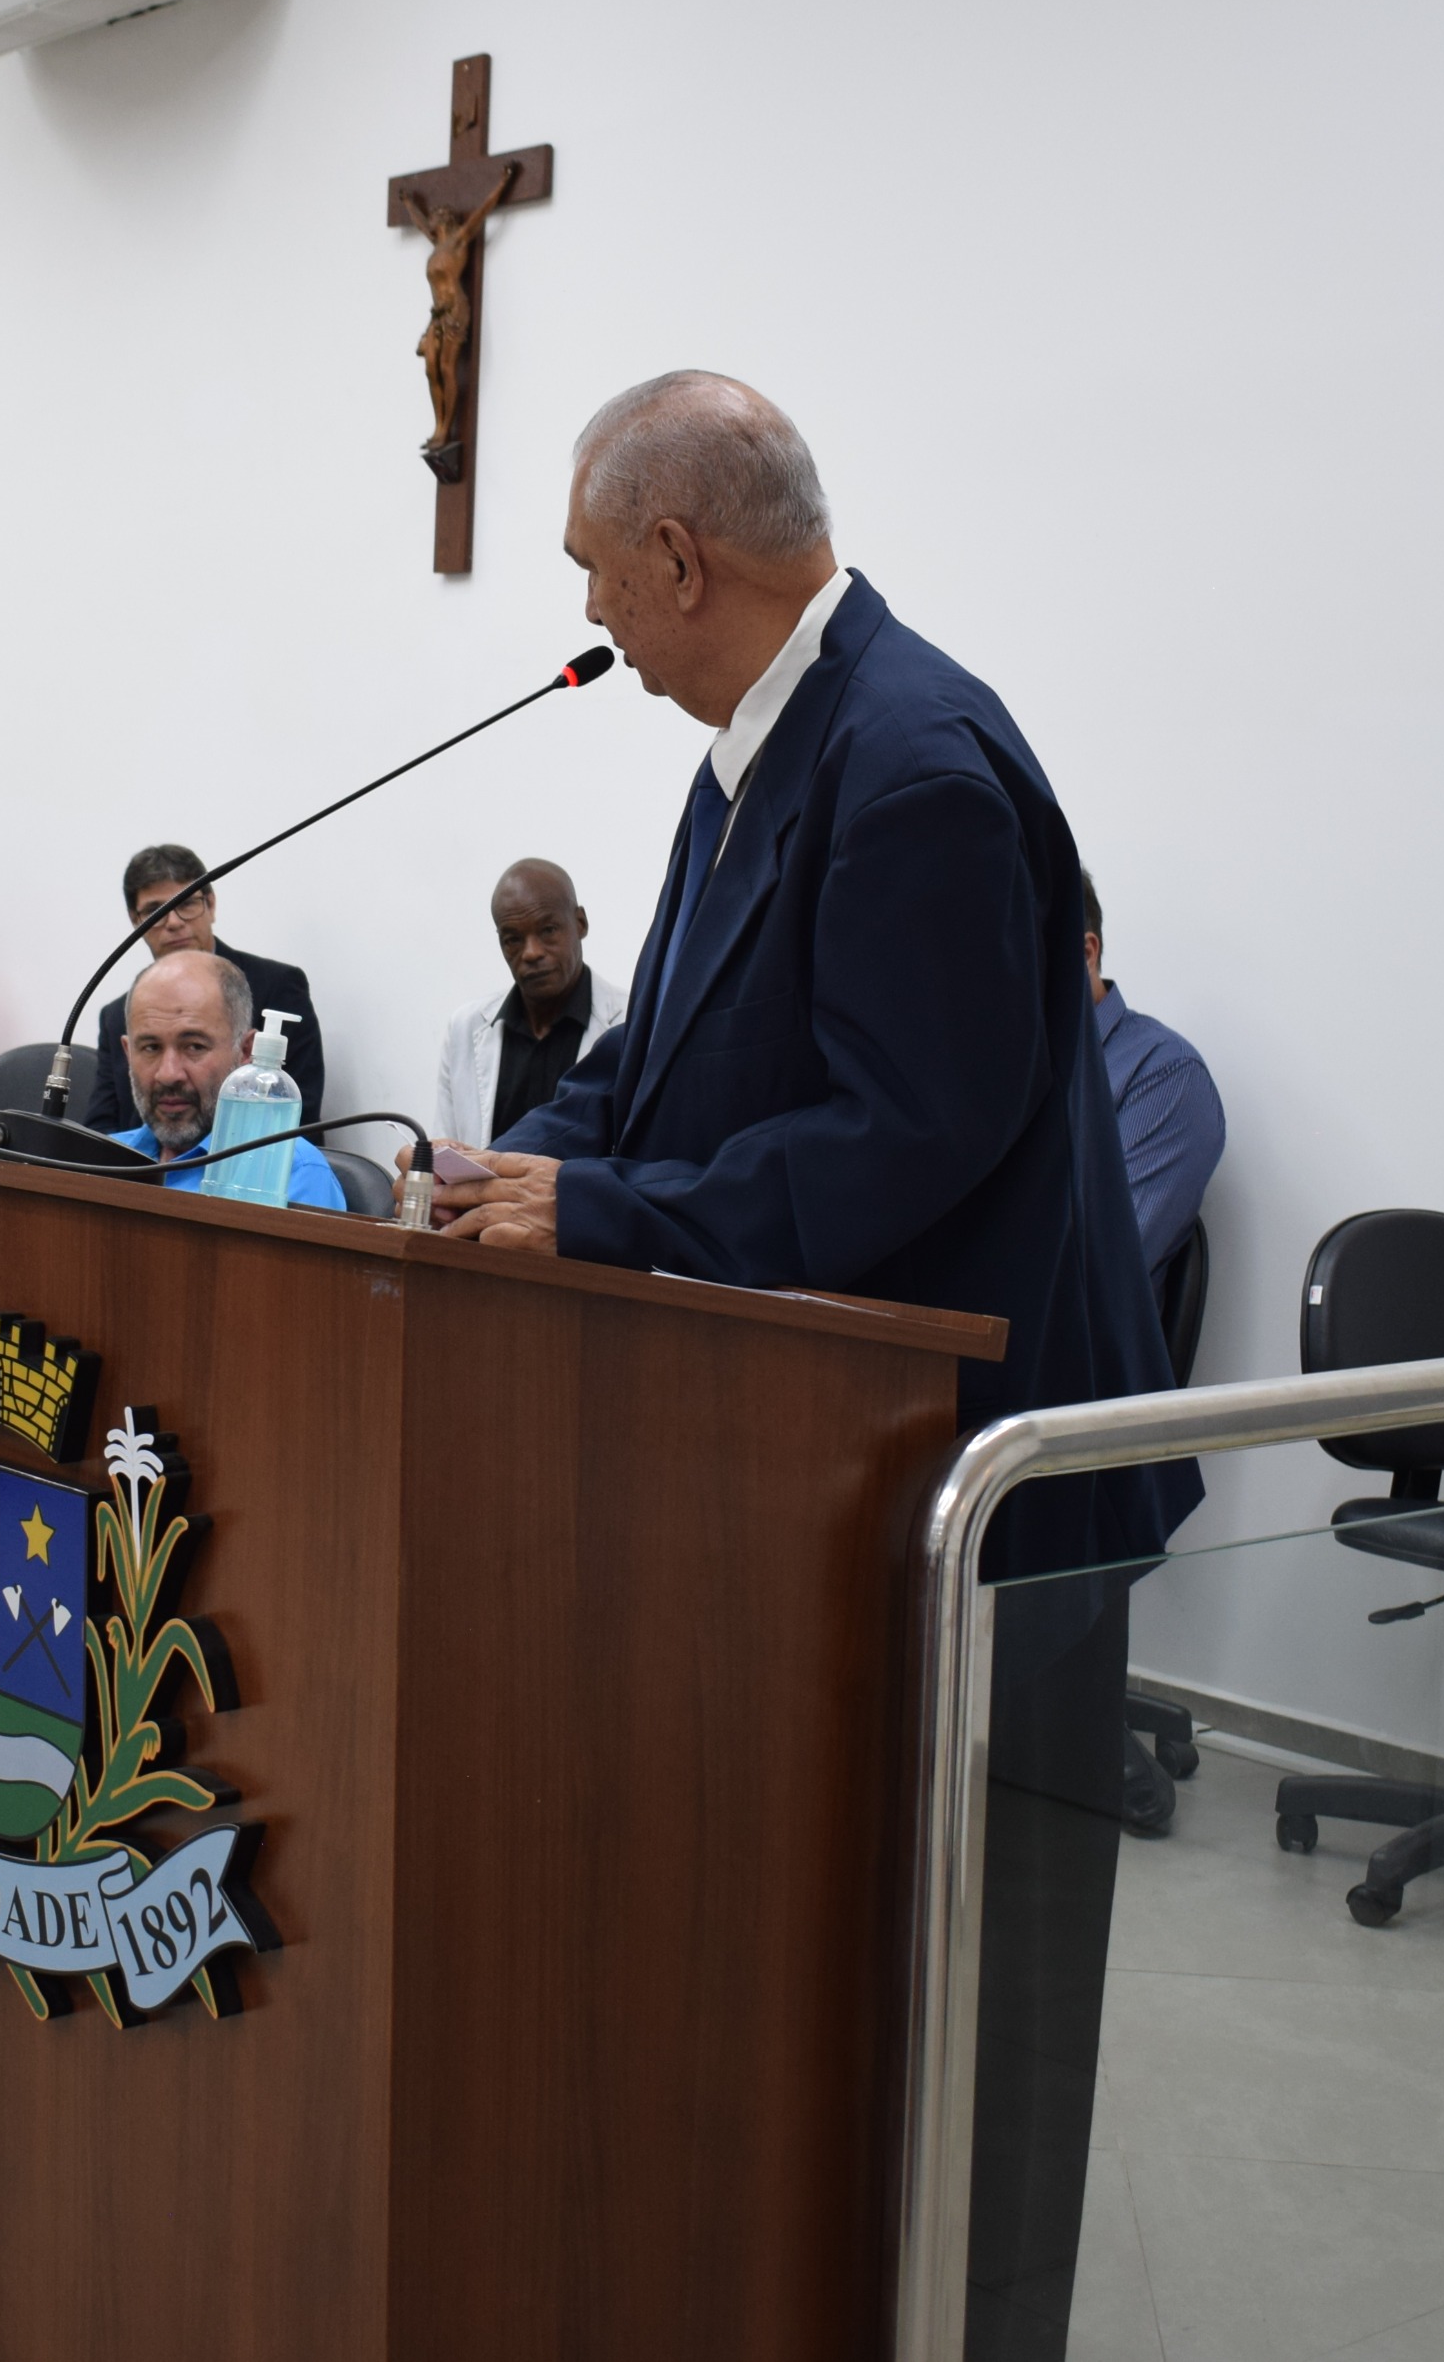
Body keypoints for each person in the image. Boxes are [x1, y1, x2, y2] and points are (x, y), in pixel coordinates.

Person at [422, 371, 1189, 2362]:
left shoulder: (913, 760)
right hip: (812, 1479)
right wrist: (517, 1169)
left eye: (593, 571)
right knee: (823, 1986)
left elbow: (909, 1130)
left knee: (972, 2013)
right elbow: (659, 1059)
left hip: (976, 1495)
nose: (589, 617)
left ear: (677, 557)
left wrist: (606, 1219)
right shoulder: (756, 750)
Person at [73, 846, 327, 1130]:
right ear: (136, 920)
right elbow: (101, 1129)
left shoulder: (277, 986)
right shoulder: (116, 1015)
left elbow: (300, 1120)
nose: (173, 922)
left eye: (186, 904)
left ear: (211, 905)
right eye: (156, 911)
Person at [106, 950, 346, 1210]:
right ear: (128, 1053)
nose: (169, 1074)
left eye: (194, 1046)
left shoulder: (291, 1174)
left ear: (245, 1051)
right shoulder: (101, 1160)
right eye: (151, 1047)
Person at [1081, 871, 1224, 1281]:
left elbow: (1094, 1269)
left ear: (1085, 953)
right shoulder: (984, 1070)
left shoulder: (1164, 1074)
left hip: (1046, 1323)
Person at [435, 858, 627, 1148]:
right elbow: (443, 1151)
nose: (531, 953)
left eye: (548, 930)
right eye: (513, 939)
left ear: (580, 923)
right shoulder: (464, 1028)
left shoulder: (633, 1025)